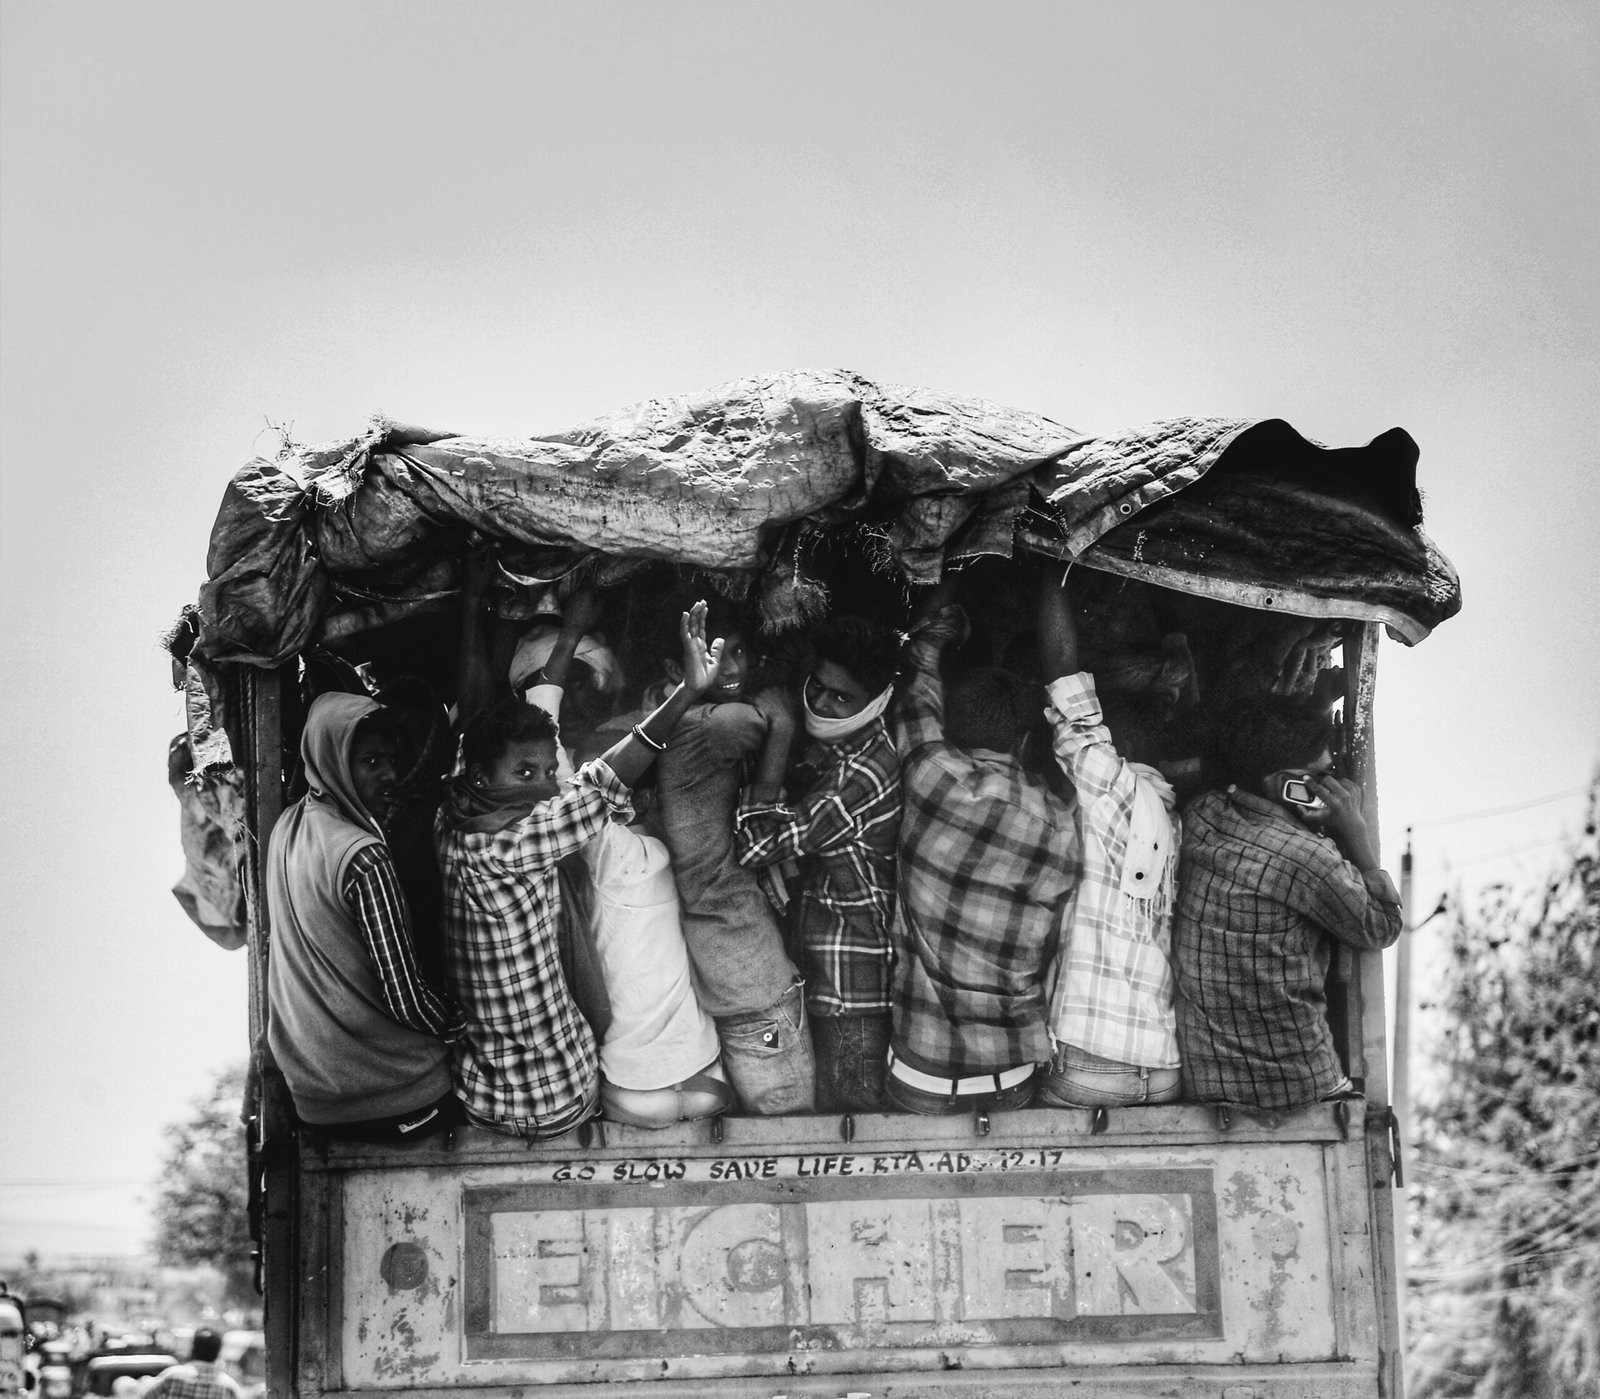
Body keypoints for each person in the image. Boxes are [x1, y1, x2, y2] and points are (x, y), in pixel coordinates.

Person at [437, 600, 729, 1139]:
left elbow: (544, 767)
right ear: (481, 774)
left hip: (483, 1096)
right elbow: (597, 787)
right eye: (526, 771)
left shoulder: (452, 816)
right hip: (561, 1095)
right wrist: (688, 694)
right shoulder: (517, 842)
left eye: (548, 772)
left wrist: (486, 604)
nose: (544, 787)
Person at [887, 591, 1080, 1114]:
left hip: (920, 1070)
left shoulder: (931, 777)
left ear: (952, 731)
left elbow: (917, 701)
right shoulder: (1062, 824)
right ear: (1022, 742)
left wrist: (931, 648)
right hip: (1010, 1073)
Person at [1172, 695, 1403, 1110]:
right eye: (1323, 775)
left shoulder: (1203, 814)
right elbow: (1381, 927)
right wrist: (1354, 830)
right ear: (1288, 786)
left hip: (1205, 1081)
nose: (1336, 787)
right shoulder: (1307, 858)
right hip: (1295, 1085)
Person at [265, 693, 466, 1142]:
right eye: (371, 761)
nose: (390, 776)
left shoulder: (287, 828)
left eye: (391, 760)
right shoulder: (363, 857)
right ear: (332, 759)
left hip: (315, 1099)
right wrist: (460, 1024)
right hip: (394, 1094)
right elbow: (406, 999)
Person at [736, 615, 903, 1111]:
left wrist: (783, 730)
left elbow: (753, 845)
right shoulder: (849, 748)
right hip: (838, 980)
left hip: (855, 993)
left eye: (841, 697)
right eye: (817, 688)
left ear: (876, 702)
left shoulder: (861, 774)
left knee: (851, 1139)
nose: (821, 703)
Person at [656, 596, 815, 1115]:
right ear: (673, 671)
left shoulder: (661, 717)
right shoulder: (710, 724)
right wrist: (785, 728)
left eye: (740, 653)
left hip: (720, 962)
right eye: (713, 654)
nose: (730, 668)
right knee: (787, 1135)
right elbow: (769, 718)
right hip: (749, 970)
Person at [1035, 573, 1182, 1108]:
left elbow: (1065, 685)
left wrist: (1050, 572)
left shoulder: (1114, 791)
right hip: (1164, 1068)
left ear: (1115, 742)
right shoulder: (1178, 818)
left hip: (1090, 1061)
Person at [142, 1329, 239, 1399]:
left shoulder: (173, 1376)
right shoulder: (228, 1387)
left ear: (193, 1349)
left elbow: (146, 1396)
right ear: (218, 1353)